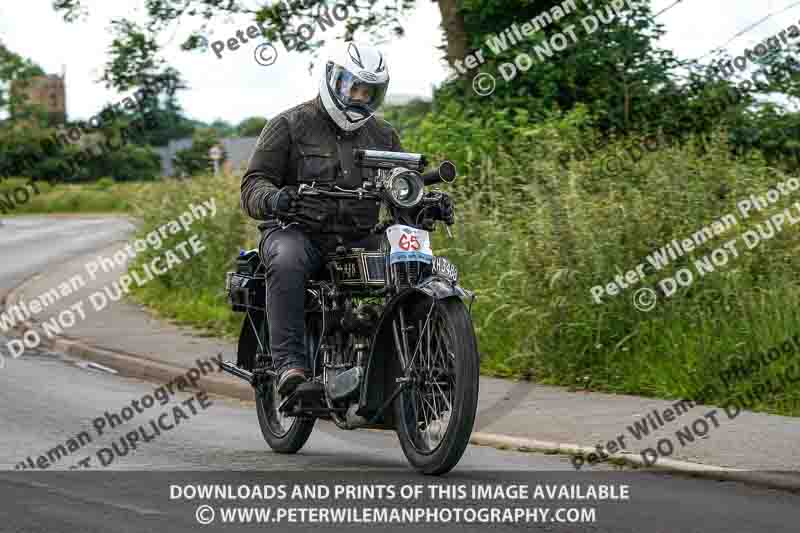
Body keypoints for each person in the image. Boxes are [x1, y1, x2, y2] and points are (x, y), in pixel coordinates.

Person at [241, 41, 455, 397]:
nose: (359, 97)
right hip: (298, 232)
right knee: (287, 260)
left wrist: (426, 204)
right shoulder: (289, 124)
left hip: (360, 237)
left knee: (414, 262)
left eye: (368, 91)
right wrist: (276, 199)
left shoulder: (383, 135)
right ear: (332, 79)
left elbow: (400, 189)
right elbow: (253, 184)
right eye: (352, 87)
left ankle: (424, 364)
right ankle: (289, 366)